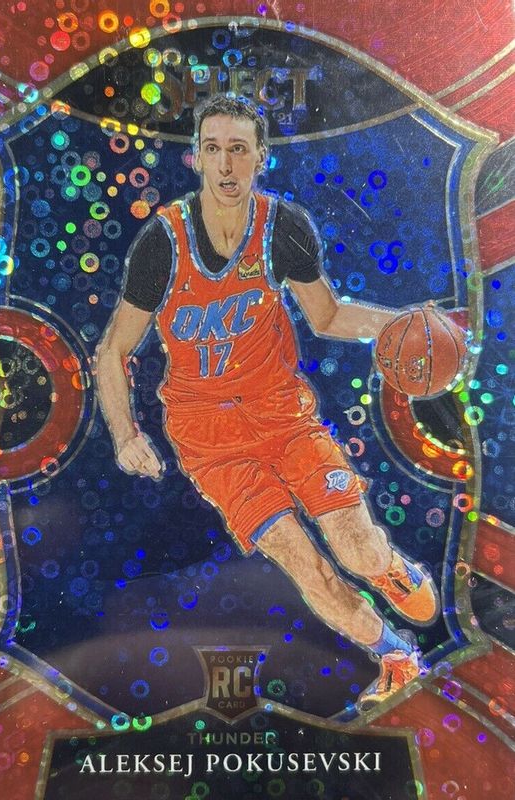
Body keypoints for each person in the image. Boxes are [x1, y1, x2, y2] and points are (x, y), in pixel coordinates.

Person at [96, 94, 438, 711]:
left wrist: (401, 325)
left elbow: (328, 316)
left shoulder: (282, 227)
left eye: (238, 149)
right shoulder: (162, 243)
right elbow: (112, 349)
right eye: (213, 149)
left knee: (356, 551)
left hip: (284, 416)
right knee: (309, 568)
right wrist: (126, 434)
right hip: (210, 442)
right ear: (197, 157)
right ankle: (395, 655)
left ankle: (388, 566)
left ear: (260, 158)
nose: (226, 164)